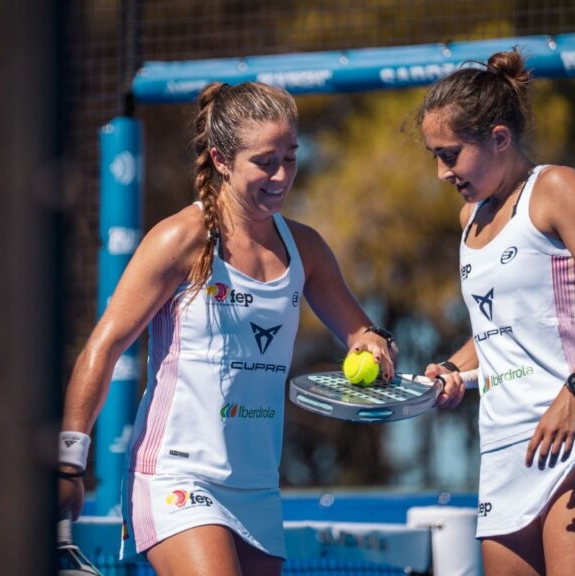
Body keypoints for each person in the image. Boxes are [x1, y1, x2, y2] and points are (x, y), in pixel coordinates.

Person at [57, 81, 395, 575]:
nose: (282, 175)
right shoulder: (182, 238)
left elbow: (363, 332)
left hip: (257, 484)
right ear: (220, 159)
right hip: (177, 473)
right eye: (265, 161)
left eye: (291, 157)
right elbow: (103, 346)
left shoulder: (306, 249)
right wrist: (69, 461)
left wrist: (374, 343)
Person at [418, 49, 575, 575]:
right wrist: (453, 369)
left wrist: (574, 393)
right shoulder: (468, 220)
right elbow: (497, 331)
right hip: (504, 449)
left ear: (499, 138)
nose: (439, 172)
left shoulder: (556, 188)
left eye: (449, 154)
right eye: (433, 155)